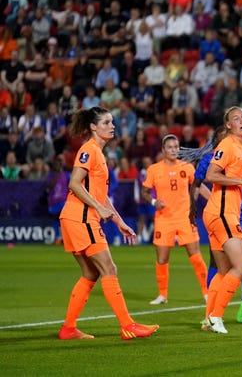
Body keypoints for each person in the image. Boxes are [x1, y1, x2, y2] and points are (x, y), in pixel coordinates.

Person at [57, 106, 159, 341]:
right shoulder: (89, 150)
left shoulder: (99, 154)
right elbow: (74, 183)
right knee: (109, 268)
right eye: (106, 123)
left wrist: (118, 220)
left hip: (78, 216)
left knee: (90, 273)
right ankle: (128, 325)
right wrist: (99, 208)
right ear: (93, 127)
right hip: (80, 217)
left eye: (112, 122)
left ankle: (68, 328)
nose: (112, 126)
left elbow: (101, 196)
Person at [183, 106, 242, 334]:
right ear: (228, 125)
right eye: (236, 118)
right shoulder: (227, 145)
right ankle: (217, 316)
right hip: (222, 211)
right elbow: (211, 175)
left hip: (224, 211)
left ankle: (209, 316)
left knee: (224, 270)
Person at [141, 134, 208, 305]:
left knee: (196, 256)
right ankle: (162, 295)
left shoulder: (187, 167)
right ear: (163, 150)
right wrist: (154, 202)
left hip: (185, 218)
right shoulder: (154, 170)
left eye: (176, 147)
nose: (174, 150)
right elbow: (145, 192)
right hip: (164, 219)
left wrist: (212, 199)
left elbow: (198, 186)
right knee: (162, 259)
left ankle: (207, 292)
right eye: (170, 147)